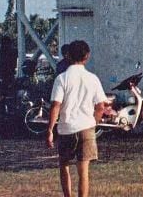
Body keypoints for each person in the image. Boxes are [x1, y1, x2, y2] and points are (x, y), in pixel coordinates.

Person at [46, 40, 108, 197]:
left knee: (64, 165)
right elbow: (101, 106)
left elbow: (55, 105)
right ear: (87, 56)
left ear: (68, 55)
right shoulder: (93, 78)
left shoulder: (62, 78)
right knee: (83, 172)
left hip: (66, 128)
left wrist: (50, 130)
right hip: (86, 128)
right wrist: (94, 122)